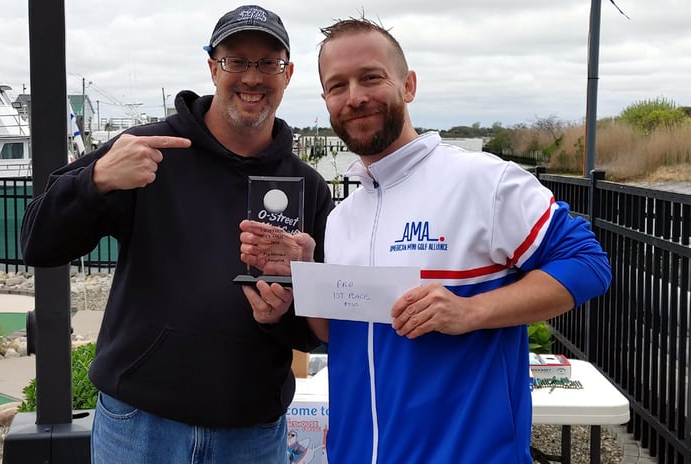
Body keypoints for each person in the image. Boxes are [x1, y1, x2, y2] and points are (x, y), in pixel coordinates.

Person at [242, 16, 612, 463]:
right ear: (326, 101)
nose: (355, 97)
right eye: (338, 86)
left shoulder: (483, 181)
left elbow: (588, 263)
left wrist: (469, 311)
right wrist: (302, 278)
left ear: (409, 85)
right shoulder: (342, 218)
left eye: (371, 77)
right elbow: (340, 337)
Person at [20, 5, 334, 463]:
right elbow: (37, 242)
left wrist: (282, 313)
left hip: (251, 433)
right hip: (138, 426)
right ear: (213, 67)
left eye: (269, 63)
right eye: (236, 60)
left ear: (287, 74)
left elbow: (316, 333)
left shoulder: (308, 187)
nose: (252, 77)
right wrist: (96, 179)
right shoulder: (147, 151)